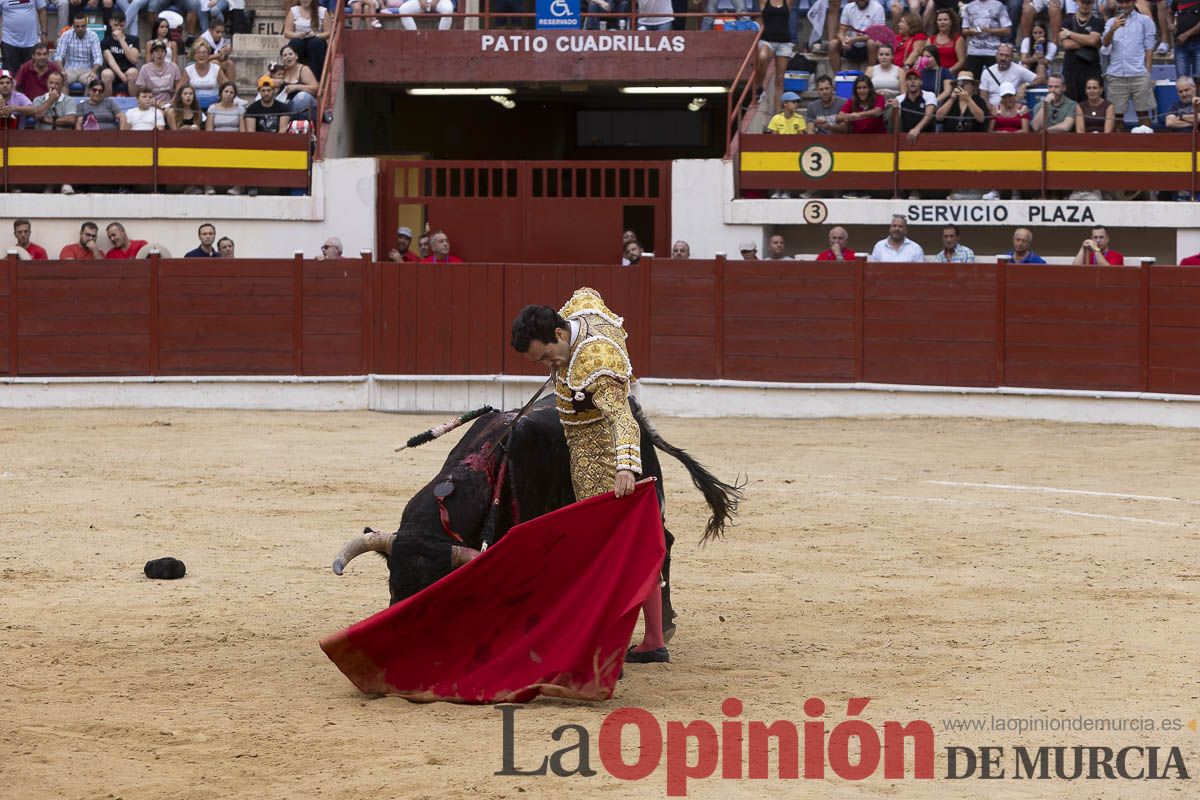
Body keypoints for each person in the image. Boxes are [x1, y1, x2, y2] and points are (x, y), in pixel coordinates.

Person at [509, 289, 668, 664]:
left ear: (560, 336)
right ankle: (654, 641)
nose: (547, 365)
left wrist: (625, 465)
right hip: (587, 446)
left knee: (607, 556)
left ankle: (607, 645)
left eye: (546, 355)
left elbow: (623, 417)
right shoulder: (577, 313)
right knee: (639, 547)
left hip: (601, 458)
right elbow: (587, 294)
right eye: (539, 361)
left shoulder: (595, 360)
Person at [1100, 0, 1156, 129]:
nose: (1124, 5)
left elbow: (1149, 48)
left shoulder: (1145, 21)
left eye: (1127, 2)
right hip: (1116, 74)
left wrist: (1147, 72)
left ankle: (1147, 145)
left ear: (1134, 1)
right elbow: (1105, 45)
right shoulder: (1110, 22)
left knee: (1143, 113)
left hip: (1139, 73)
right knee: (1117, 115)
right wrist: (1112, 29)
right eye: (1121, 2)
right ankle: (1119, 147)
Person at [1059, 0, 1103, 102]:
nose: (1085, 5)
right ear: (1077, 2)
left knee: (1092, 104)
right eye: (1083, 2)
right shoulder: (1067, 21)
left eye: (1088, 3)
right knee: (1071, 105)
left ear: (1093, 3)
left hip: (1091, 69)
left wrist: (1070, 34)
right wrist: (1089, 41)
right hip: (1071, 69)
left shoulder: (1097, 21)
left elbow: (1092, 40)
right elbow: (1067, 45)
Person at [753, 0, 793, 107]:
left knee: (780, 80)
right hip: (767, 40)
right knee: (762, 56)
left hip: (784, 42)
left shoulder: (788, 1)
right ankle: (759, 86)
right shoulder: (763, 1)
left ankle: (778, 116)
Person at [830, 0, 885, 75]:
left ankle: (870, 75)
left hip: (867, 48)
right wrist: (843, 40)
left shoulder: (878, 8)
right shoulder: (848, 7)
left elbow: (877, 33)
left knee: (872, 42)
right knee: (833, 44)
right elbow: (841, 30)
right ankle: (838, 76)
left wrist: (856, 39)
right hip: (850, 46)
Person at [960, 0, 1013, 77]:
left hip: (993, 51)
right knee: (972, 81)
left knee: (994, 80)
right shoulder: (969, 6)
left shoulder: (998, 5)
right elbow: (964, 31)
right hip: (974, 51)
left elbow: (1007, 30)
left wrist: (990, 30)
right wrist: (972, 31)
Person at [283, 0, 331, 81]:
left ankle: (317, 79)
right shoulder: (294, 11)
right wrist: (297, 34)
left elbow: (329, 32)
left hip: (317, 41)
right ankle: (296, 77)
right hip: (300, 39)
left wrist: (316, 35)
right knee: (295, 43)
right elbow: (287, 32)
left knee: (315, 43)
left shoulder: (322, 11)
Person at [54, 13, 103, 89]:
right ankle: (66, 101)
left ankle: (87, 101)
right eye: (77, 26)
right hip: (70, 70)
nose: (80, 29)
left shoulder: (93, 36)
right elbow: (58, 56)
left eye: (83, 26)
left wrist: (93, 71)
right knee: (61, 80)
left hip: (87, 70)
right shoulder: (66, 35)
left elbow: (98, 58)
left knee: (93, 82)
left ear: (86, 26)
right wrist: (62, 71)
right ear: (73, 26)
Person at [2, 0, 48, 75]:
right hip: (9, 42)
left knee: (33, 78)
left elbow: (42, 11)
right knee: (9, 79)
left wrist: (44, 33)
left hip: (32, 42)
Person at [100, 13, 141, 98]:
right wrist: (121, 76)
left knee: (133, 72)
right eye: (116, 25)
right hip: (113, 71)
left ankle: (134, 102)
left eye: (121, 25)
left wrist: (121, 40)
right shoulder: (105, 41)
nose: (118, 28)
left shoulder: (133, 40)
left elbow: (133, 60)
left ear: (125, 24)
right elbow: (111, 62)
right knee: (106, 74)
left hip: (128, 69)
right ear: (110, 23)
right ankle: (107, 104)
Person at [135, 38, 184, 108]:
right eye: (156, 51)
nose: (159, 54)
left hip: (169, 102)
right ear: (152, 54)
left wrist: (172, 101)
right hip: (151, 102)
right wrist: (154, 102)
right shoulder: (145, 69)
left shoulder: (173, 67)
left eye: (162, 51)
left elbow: (178, 88)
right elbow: (142, 91)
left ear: (165, 54)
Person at [894, 68, 936, 142]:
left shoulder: (929, 95)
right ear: (906, 83)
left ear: (921, 82)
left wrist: (917, 129)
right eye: (909, 79)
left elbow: (929, 116)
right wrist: (894, 109)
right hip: (906, 138)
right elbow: (896, 121)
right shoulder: (899, 99)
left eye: (915, 79)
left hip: (928, 136)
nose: (912, 81)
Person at [1176, 0, 1200, 79]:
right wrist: (1170, 24)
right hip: (1181, 44)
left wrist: (1186, 34)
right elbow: (1168, 11)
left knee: (1199, 79)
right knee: (1182, 79)